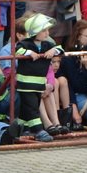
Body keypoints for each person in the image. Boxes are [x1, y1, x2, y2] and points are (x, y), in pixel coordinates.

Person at [13, 13, 63, 142]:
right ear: (34, 32)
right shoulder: (25, 43)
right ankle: (38, 130)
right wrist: (29, 53)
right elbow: (16, 50)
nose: (47, 33)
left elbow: (61, 49)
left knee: (28, 109)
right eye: (44, 30)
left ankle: (18, 128)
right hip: (26, 84)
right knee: (32, 108)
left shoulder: (47, 45)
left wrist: (54, 51)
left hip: (38, 84)